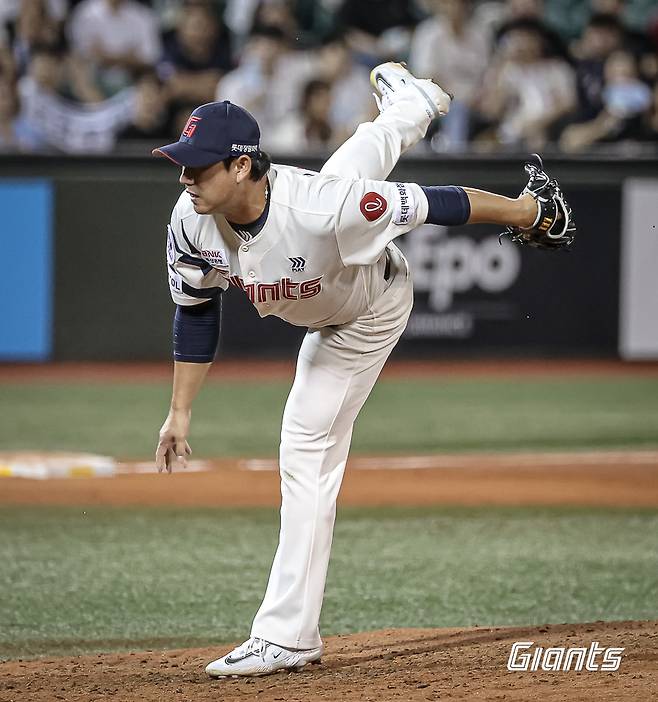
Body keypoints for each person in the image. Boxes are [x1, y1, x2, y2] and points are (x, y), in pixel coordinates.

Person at [152, 62, 575, 678]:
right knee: (360, 156)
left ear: (241, 165)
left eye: (199, 165)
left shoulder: (325, 208)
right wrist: (179, 412)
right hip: (326, 262)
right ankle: (414, 103)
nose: (186, 176)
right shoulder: (190, 220)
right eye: (183, 163)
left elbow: (439, 204)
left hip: (367, 309)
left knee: (304, 445)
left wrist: (523, 212)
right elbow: (196, 310)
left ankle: (287, 636)